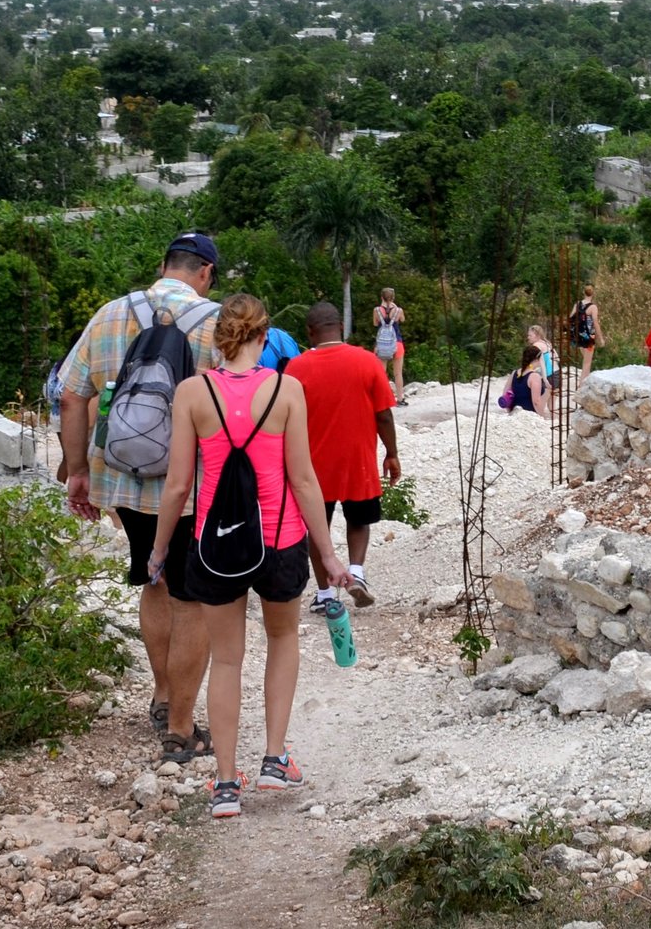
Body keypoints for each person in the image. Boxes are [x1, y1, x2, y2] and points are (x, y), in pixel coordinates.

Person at [143, 294, 350, 817]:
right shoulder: (286, 391)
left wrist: (160, 548)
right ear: (264, 337)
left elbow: (176, 486)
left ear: (219, 338)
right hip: (279, 540)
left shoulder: (192, 392)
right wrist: (328, 554)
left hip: (215, 545)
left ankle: (226, 784)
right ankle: (275, 760)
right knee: (282, 639)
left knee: (228, 658)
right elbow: (304, 479)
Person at [56, 231, 224, 763]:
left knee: (151, 577)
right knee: (191, 598)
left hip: (121, 478)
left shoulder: (110, 314)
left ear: (163, 265)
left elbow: (71, 393)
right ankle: (180, 728)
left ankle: (161, 693)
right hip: (193, 487)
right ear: (205, 273)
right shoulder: (220, 322)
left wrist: (78, 471)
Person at [287, 300, 400, 613]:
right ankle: (358, 573)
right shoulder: (367, 362)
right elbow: (384, 416)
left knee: (316, 527)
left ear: (310, 333)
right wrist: (391, 454)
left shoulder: (296, 369)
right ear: (341, 328)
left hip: (313, 467)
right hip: (357, 462)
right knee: (359, 521)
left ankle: (324, 594)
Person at [507, 324, 558, 417]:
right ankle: (554, 421)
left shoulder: (536, 346)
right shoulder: (547, 343)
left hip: (548, 375)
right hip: (556, 373)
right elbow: (557, 358)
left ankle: (540, 421)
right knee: (552, 406)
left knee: (539, 403)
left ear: (537, 335)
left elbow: (533, 360)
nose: (528, 338)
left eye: (530, 335)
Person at [371, 288, 408, 403]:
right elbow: (403, 320)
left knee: (382, 373)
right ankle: (400, 398)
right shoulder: (399, 311)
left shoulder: (376, 310)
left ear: (381, 297)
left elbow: (375, 323)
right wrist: (395, 307)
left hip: (382, 344)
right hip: (397, 342)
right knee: (398, 373)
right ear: (393, 298)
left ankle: (382, 399)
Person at [568, 288, 600, 383]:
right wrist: (601, 337)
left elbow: (570, 318)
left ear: (583, 293)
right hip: (589, 337)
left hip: (578, 336)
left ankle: (586, 381)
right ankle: (582, 385)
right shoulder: (593, 307)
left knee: (586, 360)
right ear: (593, 294)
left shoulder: (577, 304)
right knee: (587, 363)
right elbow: (595, 322)